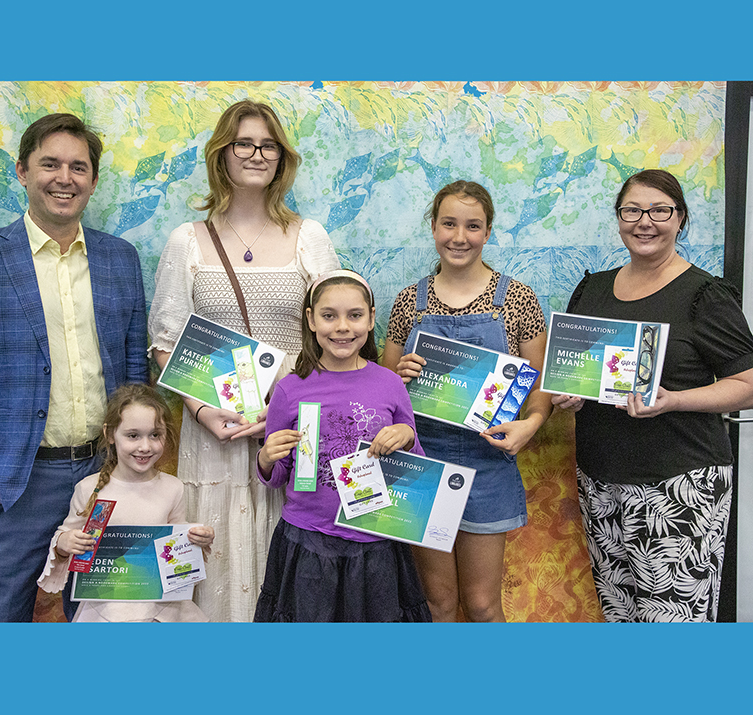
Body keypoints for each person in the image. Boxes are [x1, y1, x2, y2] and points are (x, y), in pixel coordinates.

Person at [148, 99, 340, 622]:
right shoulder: (186, 240)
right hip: (214, 432)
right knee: (214, 570)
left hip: (294, 429)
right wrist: (203, 412)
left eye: (268, 144)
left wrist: (284, 404)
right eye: (244, 143)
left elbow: (335, 333)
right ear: (222, 154)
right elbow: (166, 341)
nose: (257, 153)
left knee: (297, 560)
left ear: (281, 157)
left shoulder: (310, 237)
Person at [0, 113, 148, 622]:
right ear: (22, 171)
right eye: (50, 164)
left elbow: (132, 372)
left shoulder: (120, 259)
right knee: (0, 620)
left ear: (93, 180)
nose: (65, 178)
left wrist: (133, 464)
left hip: (104, 475)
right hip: (17, 482)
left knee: (106, 617)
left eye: (78, 167)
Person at [552, 169, 753, 622]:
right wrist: (572, 393)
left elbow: (748, 384)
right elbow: (584, 375)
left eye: (660, 210)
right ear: (619, 218)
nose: (645, 221)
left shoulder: (704, 295)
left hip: (679, 487)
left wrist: (675, 399)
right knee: (620, 617)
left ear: (679, 219)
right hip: (601, 480)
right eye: (632, 210)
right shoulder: (592, 289)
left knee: (673, 626)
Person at [382, 180, 552, 622]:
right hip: (420, 458)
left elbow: (542, 386)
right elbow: (383, 390)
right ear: (433, 227)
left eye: (472, 226)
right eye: (449, 224)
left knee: (481, 605)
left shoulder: (516, 299)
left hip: (488, 461)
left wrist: (530, 425)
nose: (460, 237)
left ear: (488, 231)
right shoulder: (408, 303)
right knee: (437, 604)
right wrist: (399, 379)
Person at [253, 270, 432, 622]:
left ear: (371, 319)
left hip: (376, 541)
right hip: (307, 540)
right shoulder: (290, 390)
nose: (342, 327)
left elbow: (416, 467)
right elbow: (277, 476)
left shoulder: (390, 383)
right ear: (311, 319)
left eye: (354, 315)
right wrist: (265, 458)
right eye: (329, 315)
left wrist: (407, 437)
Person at [37, 384, 214, 622]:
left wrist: (197, 540)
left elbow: (178, 546)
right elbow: (65, 538)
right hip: (105, 611)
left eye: (155, 435)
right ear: (110, 434)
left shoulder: (173, 488)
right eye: (133, 435)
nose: (145, 446)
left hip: (160, 612)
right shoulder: (89, 489)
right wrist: (64, 543)